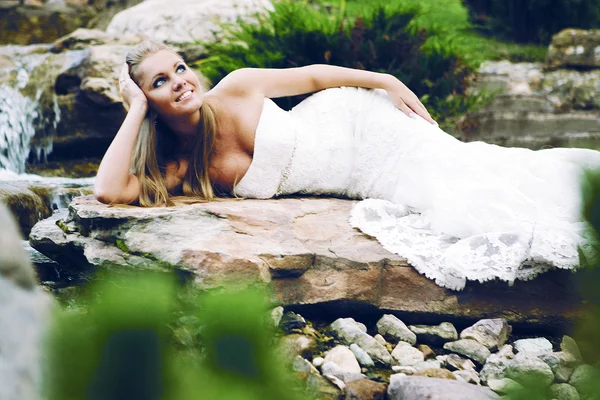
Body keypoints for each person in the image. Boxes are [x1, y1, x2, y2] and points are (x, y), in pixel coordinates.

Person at [95, 40, 600, 290]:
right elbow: (108, 190)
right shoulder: (181, 168)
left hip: (366, 127)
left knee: (470, 192)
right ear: (145, 99)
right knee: (465, 202)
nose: (179, 81)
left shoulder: (237, 85)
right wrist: (135, 111)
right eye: (159, 82)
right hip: (360, 182)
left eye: (180, 67)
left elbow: (314, 78)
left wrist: (384, 81)